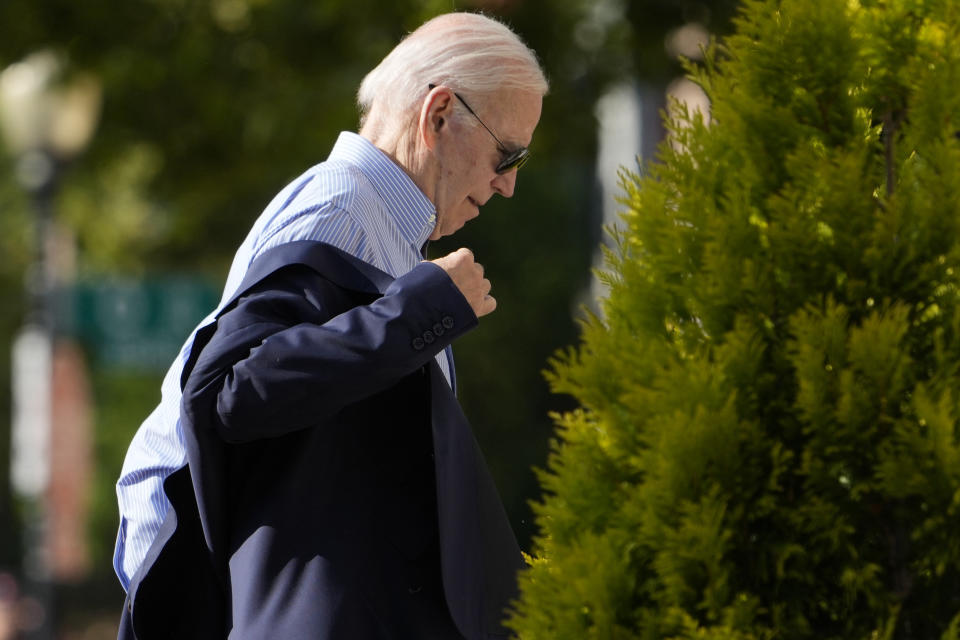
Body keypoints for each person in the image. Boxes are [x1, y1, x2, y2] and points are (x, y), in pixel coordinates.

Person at [114, 11, 547, 640]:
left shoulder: (379, 224)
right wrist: (420, 312)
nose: (507, 185)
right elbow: (228, 393)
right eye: (508, 155)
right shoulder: (340, 212)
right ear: (441, 114)